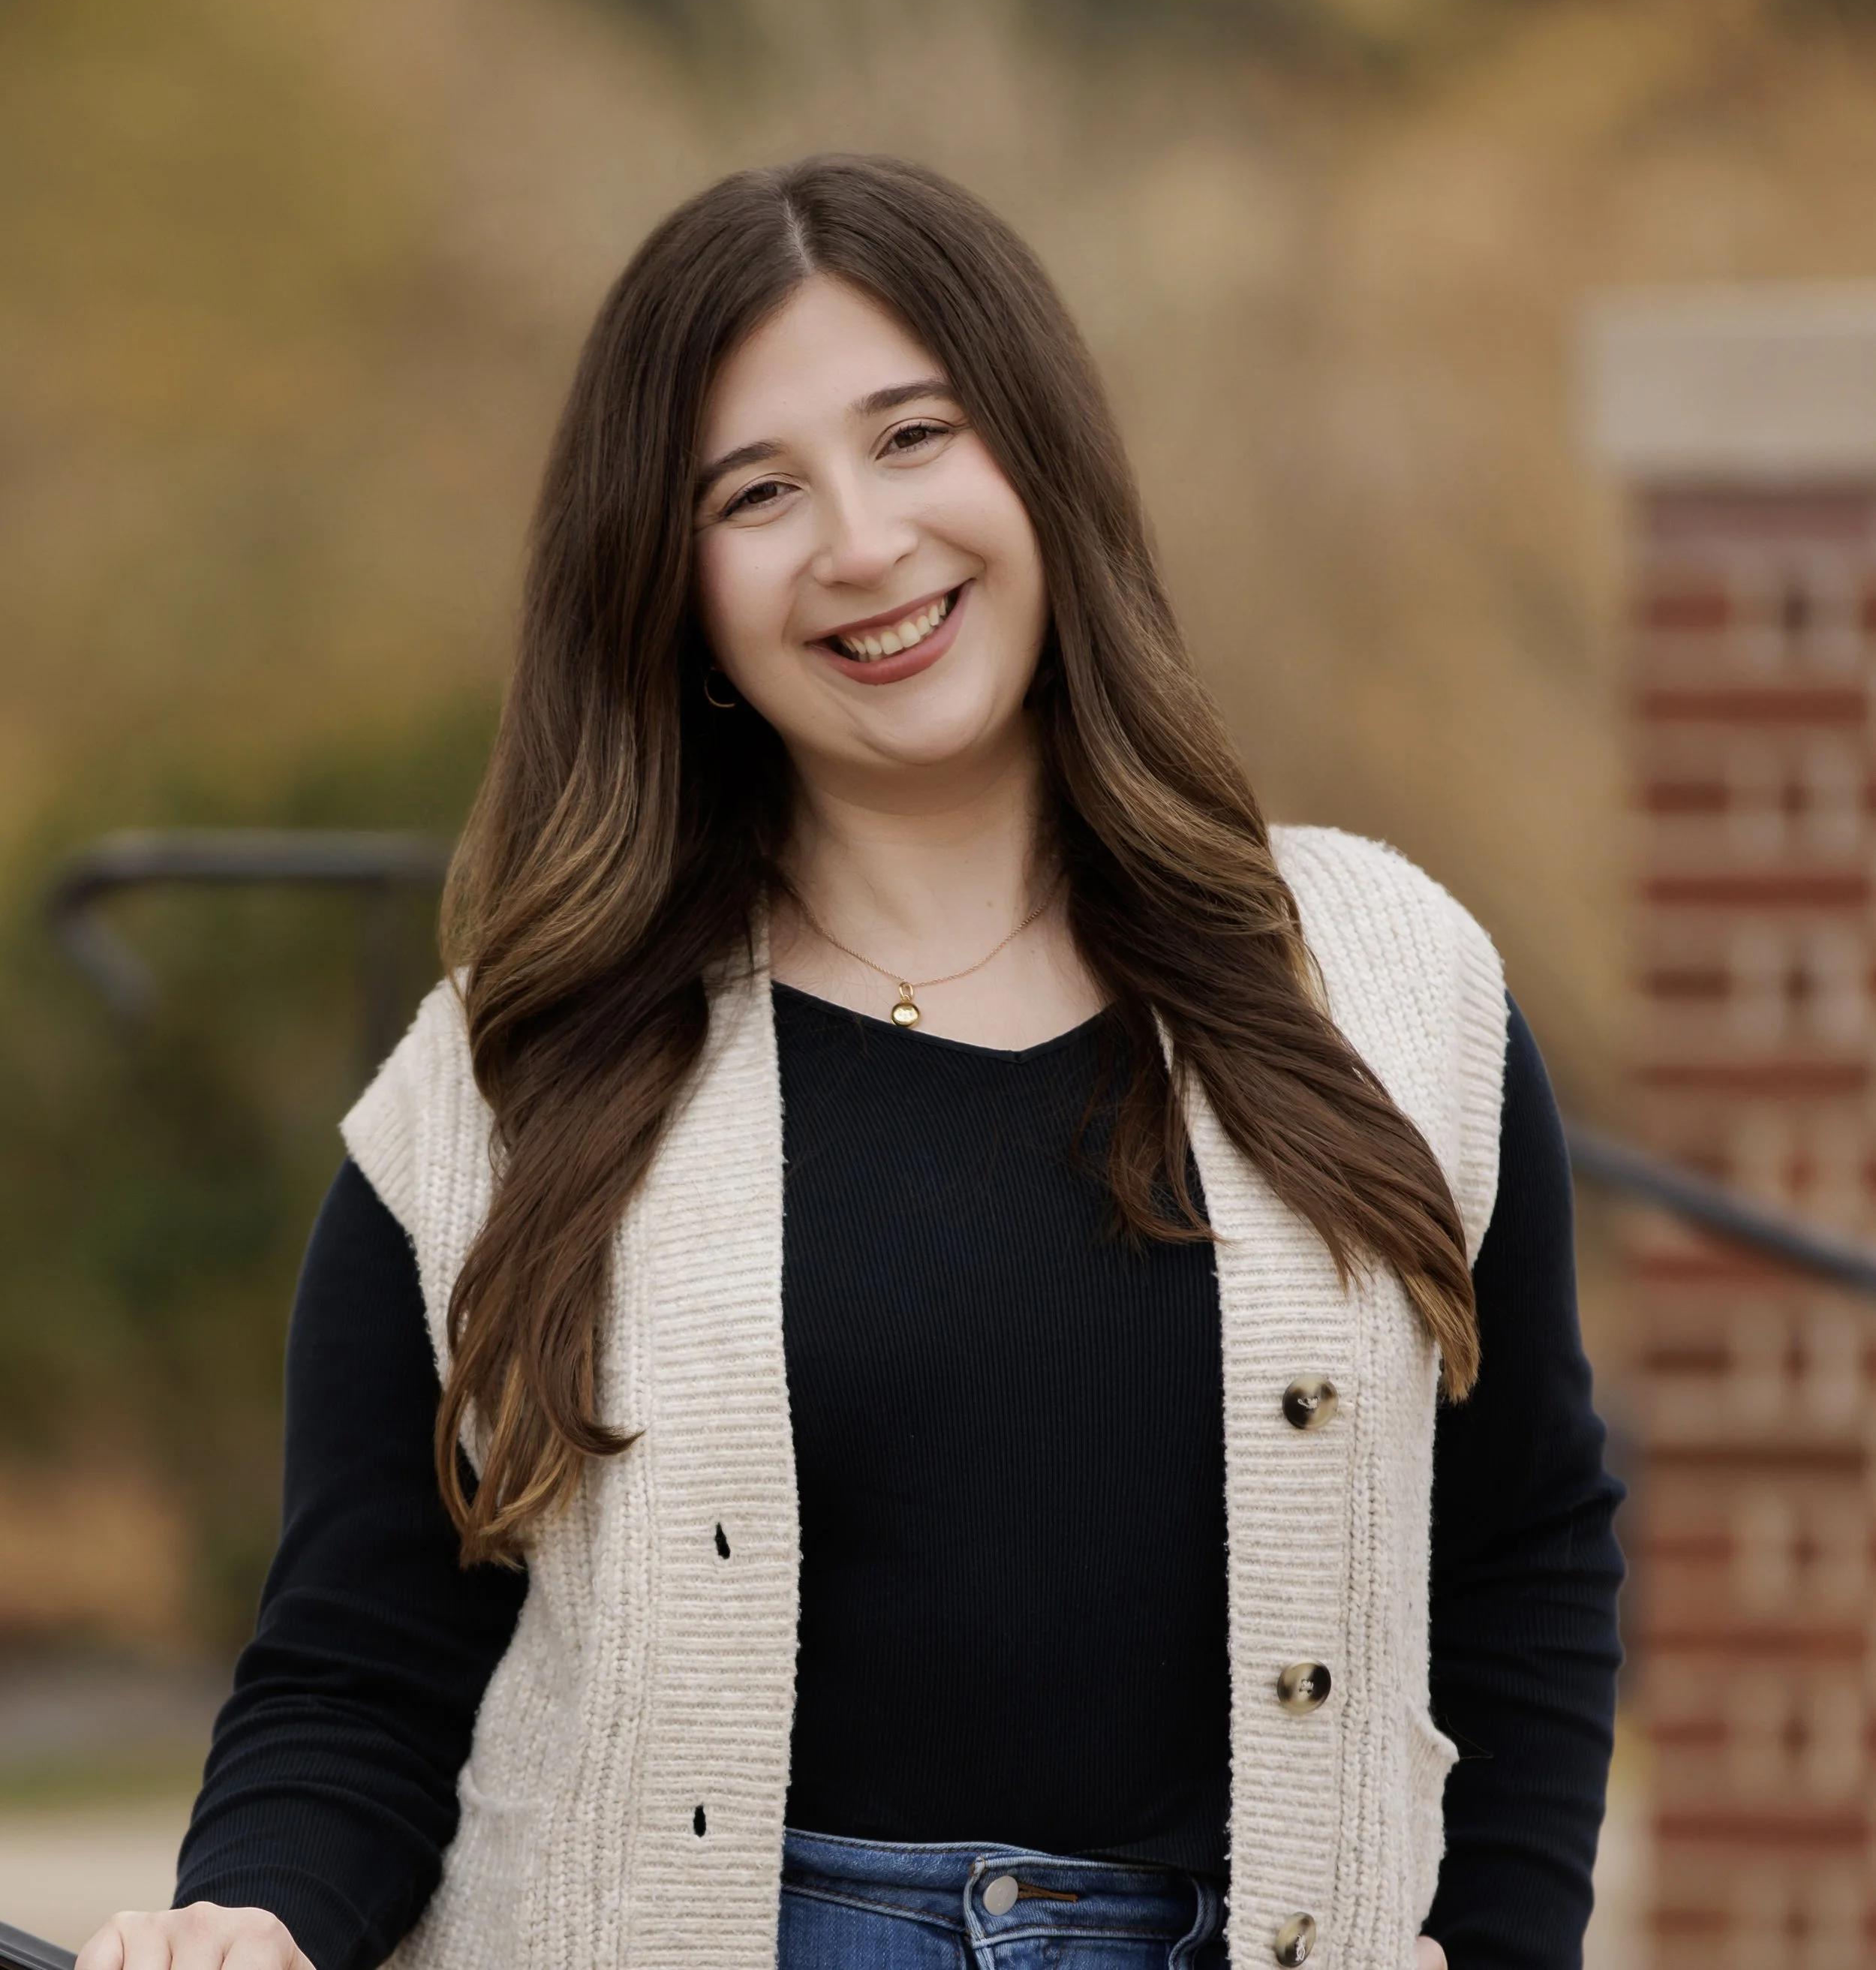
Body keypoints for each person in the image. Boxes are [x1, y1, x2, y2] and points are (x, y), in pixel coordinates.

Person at [78, 155, 1622, 1970]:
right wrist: (248, 1919)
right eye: (756, 492)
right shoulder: (502, 1088)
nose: (862, 544)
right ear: (672, 588)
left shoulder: (1390, 986)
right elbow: (359, 1667)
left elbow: (1525, 1551)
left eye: (912, 436)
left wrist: (1504, 1942)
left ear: (1040, 463)